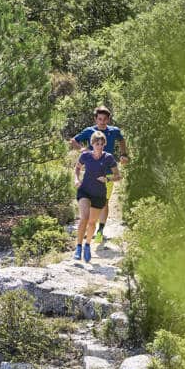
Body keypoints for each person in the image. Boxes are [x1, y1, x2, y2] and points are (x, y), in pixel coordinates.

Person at [70, 105, 129, 243]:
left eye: (105, 119)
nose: (102, 121)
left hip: (107, 174)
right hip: (91, 174)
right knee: (89, 202)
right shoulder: (89, 131)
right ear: (95, 119)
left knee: (104, 203)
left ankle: (100, 231)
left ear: (108, 119)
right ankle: (90, 227)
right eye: (99, 119)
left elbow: (121, 140)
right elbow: (73, 140)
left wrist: (123, 154)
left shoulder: (114, 131)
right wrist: (82, 149)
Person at [73, 130, 121, 263]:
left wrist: (108, 179)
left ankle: (87, 246)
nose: (99, 146)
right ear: (92, 143)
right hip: (85, 191)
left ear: (104, 144)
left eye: (101, 144)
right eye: (96, 143)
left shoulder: (108, 158)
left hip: (99, 195)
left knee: (92, 223)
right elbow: (77, 168)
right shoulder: (85, 156)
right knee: (84, 218)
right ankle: (78, 248)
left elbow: (118, 176)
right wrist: (76, 179)